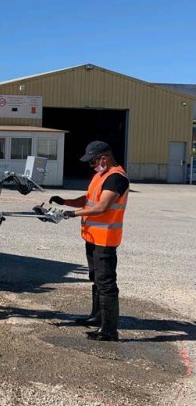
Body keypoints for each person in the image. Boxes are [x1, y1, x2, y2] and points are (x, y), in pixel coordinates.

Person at [50, 140, 129, 342]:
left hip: (105, 240)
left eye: (93, 161)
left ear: (104, 158)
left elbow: (102, 207)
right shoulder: (101, 176)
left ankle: (109, 330)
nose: (92, 165)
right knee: (96, 278)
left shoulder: (116, 178)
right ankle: (97, 317)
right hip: (93, 237)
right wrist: (64, 202)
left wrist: (71, 214)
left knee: (106, 283)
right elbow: (88, 199)